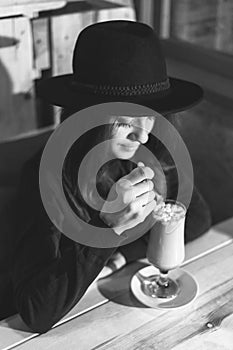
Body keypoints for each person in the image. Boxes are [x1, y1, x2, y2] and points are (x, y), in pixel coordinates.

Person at [1, 20, 211, 332]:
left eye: (150, 119)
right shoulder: (45, 175)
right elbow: (35, 310)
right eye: (127, 123)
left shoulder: (154, 151)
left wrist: (120, 255)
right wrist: (107, 231)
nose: (142, 136)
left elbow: (197, 218)